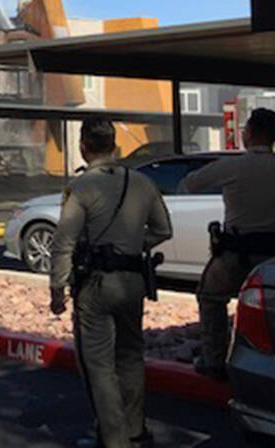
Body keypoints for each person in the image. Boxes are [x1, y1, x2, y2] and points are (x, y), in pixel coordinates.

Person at [49, 117, 173, 448]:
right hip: (133, 281)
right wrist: (134, 246)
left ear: (83, 147)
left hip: (95, 285)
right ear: (115, 145)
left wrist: (57, 290)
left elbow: (64, 242)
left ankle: (113, 439)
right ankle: (135, 428)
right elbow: (164, 230)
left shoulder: (81, 188)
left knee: (99, 364)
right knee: (131, 356)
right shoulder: (142, 182)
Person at [178, 108, 275, 380]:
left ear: (249, 133)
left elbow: (189, 184)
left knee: (210, 298)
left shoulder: (233, 166)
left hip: (235, 253)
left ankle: (214, 359)